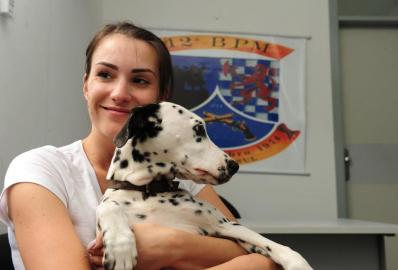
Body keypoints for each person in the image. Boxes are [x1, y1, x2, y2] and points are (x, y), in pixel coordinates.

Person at [0, 22, 280, 270]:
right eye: (105, 75)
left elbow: (264, 259)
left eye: (140, 80)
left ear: (161, 100)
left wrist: (171, 246)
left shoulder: (184, 180)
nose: (120, 94)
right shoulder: (42, 170)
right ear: (86, 85)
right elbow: (251, 262)